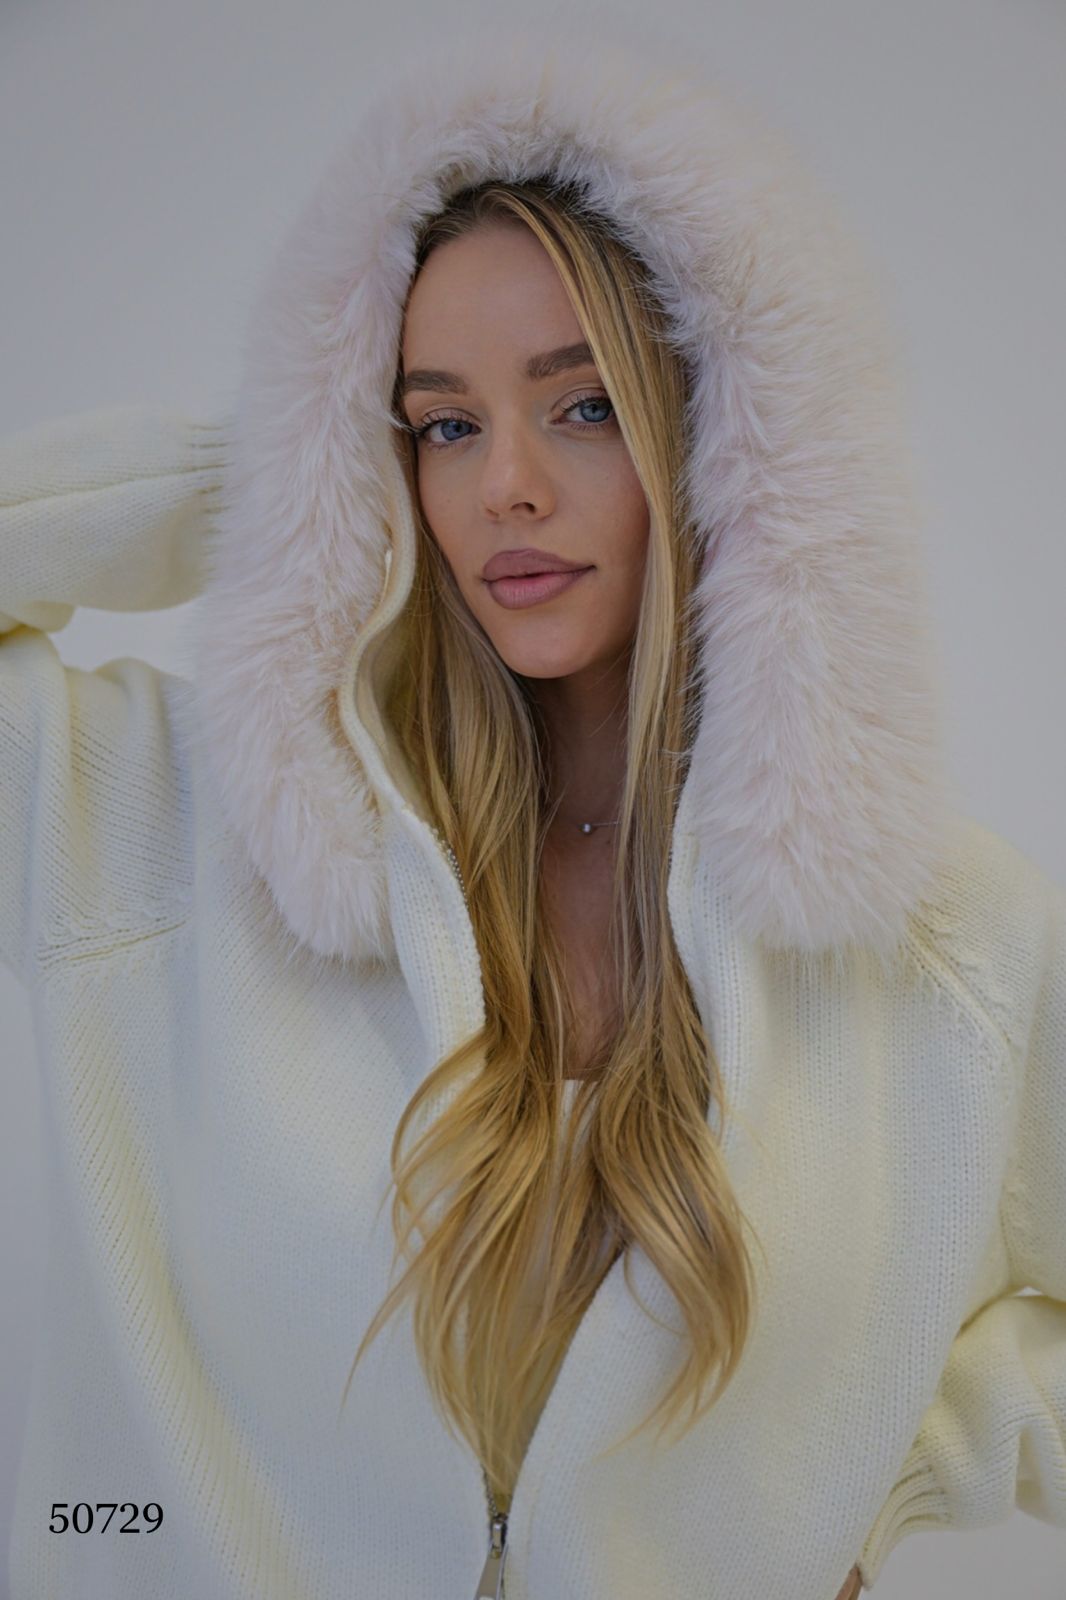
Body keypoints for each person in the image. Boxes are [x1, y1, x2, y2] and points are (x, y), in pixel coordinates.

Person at [1, 16, 1063, 1600]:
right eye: (441, 422)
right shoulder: (164, 828)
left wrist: (896, 1469)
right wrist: (277, 480)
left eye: (581, 407)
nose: (501, 484)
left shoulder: (950, 943)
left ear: (734, 441)